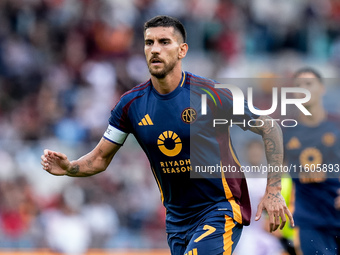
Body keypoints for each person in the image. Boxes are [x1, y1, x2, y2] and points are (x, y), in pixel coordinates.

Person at [41, 15, 293, 255]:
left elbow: (269, 126)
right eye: (149, 42)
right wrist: (70, 168)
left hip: (221, 207)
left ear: (182, 50)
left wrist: (273, 189)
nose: (154, 49)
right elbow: (99, 159)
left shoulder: (211, 94)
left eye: (164, 42)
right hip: (177, 219)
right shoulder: (131, 105)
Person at [283, 67, 340, 255]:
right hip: (310, 222)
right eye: (298, 86)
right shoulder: (285, 133)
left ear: (322, 88)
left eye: (309, 84)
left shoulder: (336, 127)